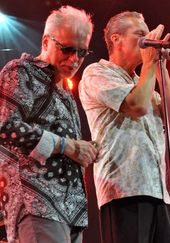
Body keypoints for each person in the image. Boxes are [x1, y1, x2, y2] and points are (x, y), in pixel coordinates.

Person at [78, 11, 170, 243]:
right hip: (124, 192)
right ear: (116, 39)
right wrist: (149, 64)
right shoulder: (97, 73)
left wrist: (160, 67)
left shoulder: (142, 80)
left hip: (157, 192)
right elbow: (137, 106)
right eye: (140, 35)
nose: (148, 40)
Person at [0, 6, 97, 243]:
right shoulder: (21, 71)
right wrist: (68, 146)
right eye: (67, 49)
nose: (75, 59)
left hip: (71, 213)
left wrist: (88, 150)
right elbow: (5, 125)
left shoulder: (66, 94)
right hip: (38, 204)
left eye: (82, 52)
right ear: (46, 41)